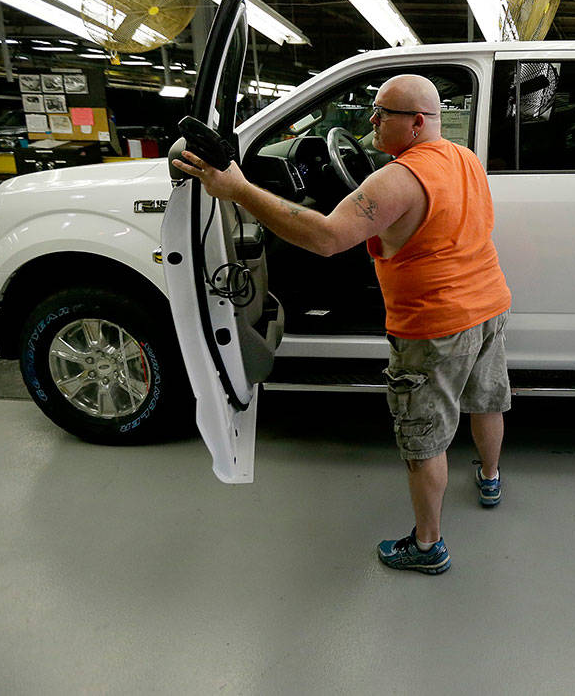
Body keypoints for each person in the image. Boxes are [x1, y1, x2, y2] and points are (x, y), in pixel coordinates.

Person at [172, 74, 512, 576]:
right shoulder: (463, 158)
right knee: (486, 398)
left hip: (433, 327)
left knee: (424, 440)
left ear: (417, 123)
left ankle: (427, 544)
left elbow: (328, 238)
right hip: (489, 304)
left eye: (382, 113)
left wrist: (240, 190)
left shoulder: (396, 180)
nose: (371, 120)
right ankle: (489, 476)